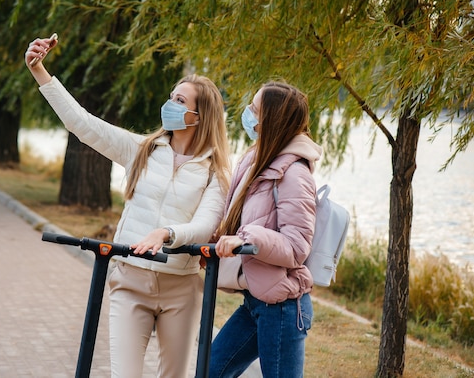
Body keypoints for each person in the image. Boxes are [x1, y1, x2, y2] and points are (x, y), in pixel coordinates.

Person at [25, 35, 231, 377]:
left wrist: (166, 233)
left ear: (199, 116)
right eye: (171, 98)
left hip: (181, 287)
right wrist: (40, 72)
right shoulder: (143, 151)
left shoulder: (216, 172)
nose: (171, 105)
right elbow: (82, 124)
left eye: (180, 101)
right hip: (130, 280)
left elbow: (206, 225)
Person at [210, 81, 322, 378]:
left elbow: (297, 247)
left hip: (283, 308)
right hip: (256, 301)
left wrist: (245, 237)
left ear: (271, 120)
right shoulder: (256, 161)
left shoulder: (294, 174)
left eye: (255, 109)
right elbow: (237, 218)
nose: (248, 113)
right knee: (211, 370)